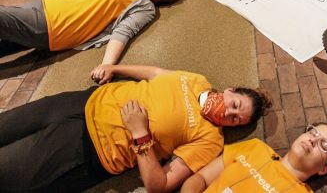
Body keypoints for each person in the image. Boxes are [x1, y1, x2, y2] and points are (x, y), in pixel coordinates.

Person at [0, 64, 272, 192]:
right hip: (81, 102)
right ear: (230, 91)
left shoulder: (210, 140)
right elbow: (154, 74)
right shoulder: (198, 81)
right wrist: (114, 66)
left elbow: (160, 185)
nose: (229, 113)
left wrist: (140, 135)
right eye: (235, 104)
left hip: (90, 150)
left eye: (236, 119)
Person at [0, 0, 181, 65]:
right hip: (45, 5)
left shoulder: (145, 7)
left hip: (54, 25)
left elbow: (124, 32)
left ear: (159, 1)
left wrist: (107, 65)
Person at [181, 123, 327, 192]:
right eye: (313, 131)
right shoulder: (256, 147)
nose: (313, 139)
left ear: (324, 169)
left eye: (324, 145)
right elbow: (201, 178)